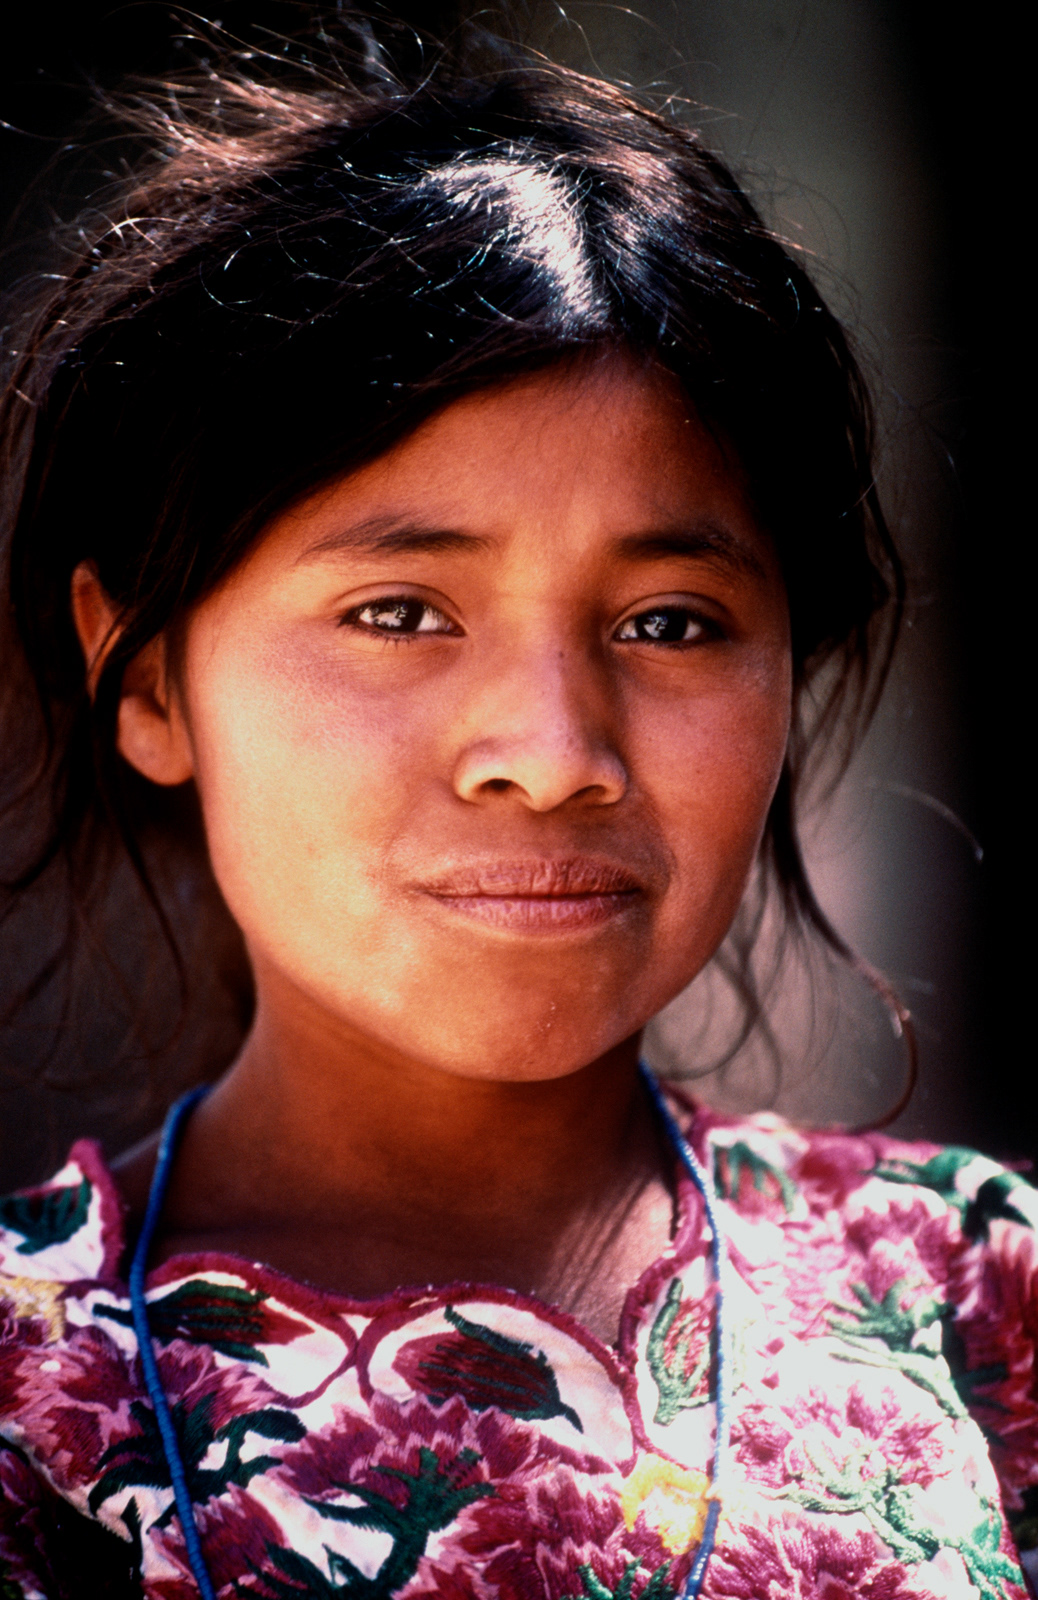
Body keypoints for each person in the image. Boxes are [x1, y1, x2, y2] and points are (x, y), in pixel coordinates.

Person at [0, 24, 1034, 1600]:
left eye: (671, 622)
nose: (551, 755)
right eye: (403, 612)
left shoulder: (971, 1294)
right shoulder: (31, 1394)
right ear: (143, 678)